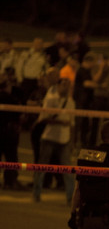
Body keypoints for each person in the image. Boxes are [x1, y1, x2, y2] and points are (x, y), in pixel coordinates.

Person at [32, 73, 76, 204]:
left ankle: (70, 197)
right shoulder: (51, 99)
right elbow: (43, 118)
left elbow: (72, 123)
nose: (67, 88)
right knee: (42, 167)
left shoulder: (71, 102)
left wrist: (72, 141)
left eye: (69, 86)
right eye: (64, 85)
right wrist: (59, 123)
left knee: (68, 169)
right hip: (49, 137)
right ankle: (36, 193)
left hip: (64, 139)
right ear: (58, 86)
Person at [0, 68, 23, 189]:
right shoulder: (11, 100)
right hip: (8, 133)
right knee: (11, 159)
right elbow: (19, 115)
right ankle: (11, 181)